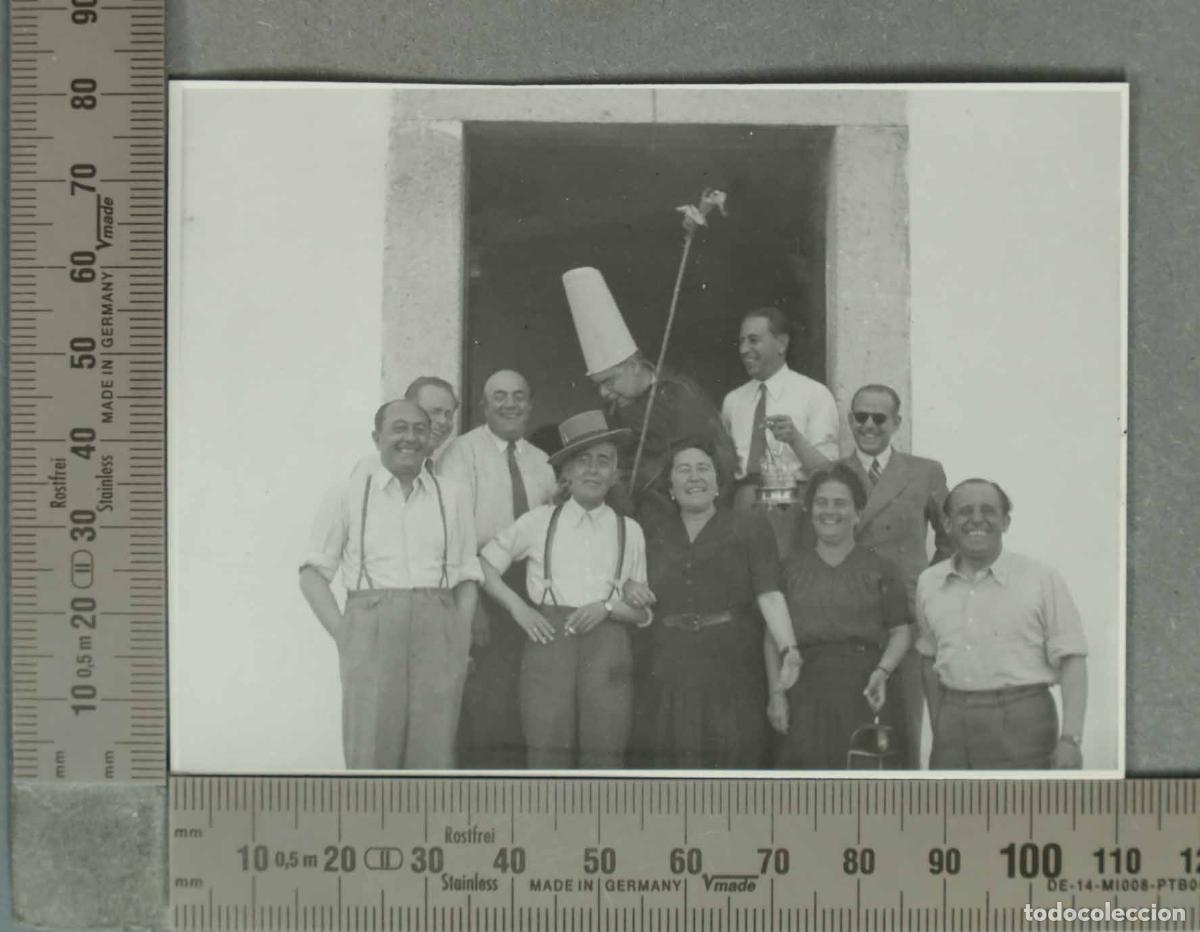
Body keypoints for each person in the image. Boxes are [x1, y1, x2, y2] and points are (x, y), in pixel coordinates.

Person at [298, 400, 481, 769]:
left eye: (419, 429)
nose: (410, 438)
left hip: (438, 625)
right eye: (399, 428)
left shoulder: (453, 496)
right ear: (376, 437)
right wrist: (345, 634)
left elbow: (467, 575)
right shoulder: (347, 494)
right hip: (371, 625)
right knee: (371, 745)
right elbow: (312, 574)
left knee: (434, 746)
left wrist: (459, 634)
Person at [479, 410, 652, 769]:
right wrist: (519, 608)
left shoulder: (630, 530)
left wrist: (607, 607)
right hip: (549, 643)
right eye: (583, 460)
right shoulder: (538, 521)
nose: (593, 470)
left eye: (603, 461)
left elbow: (641, 611)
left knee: (605, 752)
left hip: (608, 650)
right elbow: (483, 565)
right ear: (567, 471)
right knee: (547, 748)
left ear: (615, 473)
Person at [620, 437, 801, 768]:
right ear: (670, 486)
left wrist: (789, 648)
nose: (694, 477)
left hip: (731, 666)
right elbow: (630, 586)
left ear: (719, 482)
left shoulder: (749, 527)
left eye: (703, 468)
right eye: (683, 470)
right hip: (668, 667)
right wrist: (630, 587)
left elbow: (769, 593)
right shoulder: (652, 534)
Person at [916, 479, 1088, 770]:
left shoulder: (1041, 579)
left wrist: (1071, 739)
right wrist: (940, 723)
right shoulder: (929, 582)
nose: (976, 519)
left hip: (1023, 722)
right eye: (965, 511)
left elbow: (1072, 659)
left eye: (988, 510)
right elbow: (929, 657)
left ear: (1005, 521)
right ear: (947, 523)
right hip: (953, 725)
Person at [439, 369, 557, 768]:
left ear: (530, 404)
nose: (510, 404)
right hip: (480, 582)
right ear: (484, 406)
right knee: (488, 698)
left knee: (526, 694)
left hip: (530, 587)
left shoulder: (542, 462)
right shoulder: (460, 454)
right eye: (500, 396)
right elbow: (454, 536)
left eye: (518, 396)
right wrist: (473, 608)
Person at [562, 266, 736, 522]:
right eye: (598, 385)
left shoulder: (680, 397)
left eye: (609, 381)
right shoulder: (617, 407)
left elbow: (709, 463)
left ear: (634, 365)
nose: (604, 392)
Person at [840, 383, 953, 768]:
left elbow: (949, 535)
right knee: (849, 722)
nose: (869, 425)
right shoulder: (833, 473)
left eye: (879, 418)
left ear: (897, 422)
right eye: (861, 417)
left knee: (903, 723)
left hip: (905, 615)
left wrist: (927, 583)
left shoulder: (924, 471)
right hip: (849, 612)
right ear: (850, 420)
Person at [771, 463, 911, 769]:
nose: (830, 511)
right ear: (809, 510)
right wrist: (776, 695)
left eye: (840, 503)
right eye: (821, 503)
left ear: (858, 513)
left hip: (865, 688)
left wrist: (883, 672)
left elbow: (901, 631)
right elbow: (771, 637)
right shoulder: (789, 569)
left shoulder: (881, 568)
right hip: (803, 689)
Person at [721, 308, 839, 512]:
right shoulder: (733, 401)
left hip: (792, 507)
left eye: (753, 340)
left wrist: (795, 439)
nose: (744, 349)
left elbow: (830, 473)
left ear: (781, 344)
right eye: (741, 341)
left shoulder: (815, 394)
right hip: (741, 506)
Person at [351, 376, 461, 479]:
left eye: (449, 415)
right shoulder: (375, 469)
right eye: (435, 411)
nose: (443, 421)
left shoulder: (438, 470)